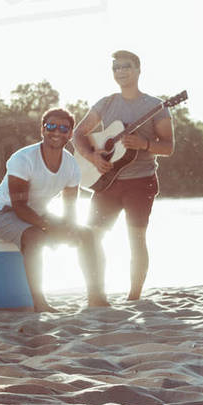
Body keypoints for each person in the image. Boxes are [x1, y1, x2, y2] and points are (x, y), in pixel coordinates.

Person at [73, 50, 175, 301]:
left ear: (139, 70)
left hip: (141, 182)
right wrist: (92, 157)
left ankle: (133, 297)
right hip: (105, 182)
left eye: (126, 66)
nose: (121, 71)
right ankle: (97, 295)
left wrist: (145, 144)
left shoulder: (156, 106)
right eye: (116, 68)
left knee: (135, 238)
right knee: (91, 235)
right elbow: (78, 134)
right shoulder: (106, 103)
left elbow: (169, 146)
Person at [0, 108, 108, 311]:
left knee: (85, 234)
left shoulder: (71, 165)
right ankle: (40, 303)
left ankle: (95, 298)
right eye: (51, 126)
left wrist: (68, 227)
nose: (56, 132)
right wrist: (50, 227)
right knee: (35, 236)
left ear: (70, 134)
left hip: (37, 213)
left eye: (63, 128)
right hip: (2, 213)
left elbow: (70, 208)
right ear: (42, 129)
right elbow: (19, 206)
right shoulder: (23, 159)